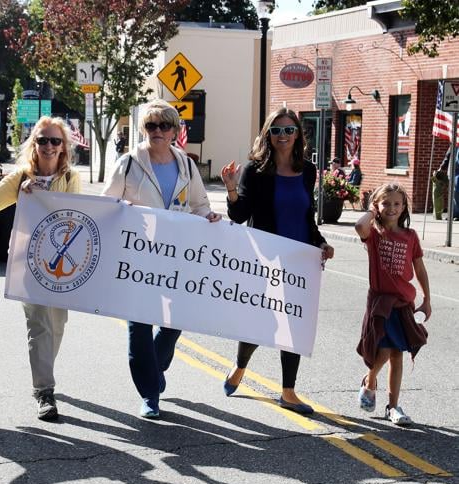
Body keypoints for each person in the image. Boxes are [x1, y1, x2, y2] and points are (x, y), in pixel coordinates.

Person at [102, 99, 221, 419]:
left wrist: (209, 217)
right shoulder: (129, 163)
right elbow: (106, 205)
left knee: (176, 320)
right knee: (138, 328)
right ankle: (149, 394)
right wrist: (122, 212)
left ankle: (155, 366)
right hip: (137, 259)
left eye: (164, 125)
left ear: (174, 131)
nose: (157, 131)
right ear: (144, 130)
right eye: (151, 125)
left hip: (177, 258)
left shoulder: (186, 166)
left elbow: (199, 205)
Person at [220, 107, 335, 415]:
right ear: (267, 135)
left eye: (288, 130)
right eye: (276, 130)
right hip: (264, 258)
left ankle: (288, 391)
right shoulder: (255, 171)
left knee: (293, 323)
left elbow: (306, 216)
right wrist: (231, 188)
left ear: (298, 134)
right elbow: (240, 215)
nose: (283, 136)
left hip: (299, 260)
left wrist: (320, 242)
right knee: (261, 320)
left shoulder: (307, 171)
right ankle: (241, 365)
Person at [0, 116, 80, 421]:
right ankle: (45, 391)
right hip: (31, 263)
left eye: (55, 141)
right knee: (40, 324)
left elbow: (81, 217)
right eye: (42, 140)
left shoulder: (70, 179)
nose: (49, 146)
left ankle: (45, 370)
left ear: (63, 147)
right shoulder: (20, 177)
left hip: (63, 267)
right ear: (34, 144)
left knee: (57, 325)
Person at [354, 183, 430, 426]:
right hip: (380, 302)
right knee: (384, 350)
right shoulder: (374, 235)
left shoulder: (410, 236)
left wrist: (427, 299)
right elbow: (359, 226)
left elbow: (419, 268)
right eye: (386, 203)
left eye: (397, 203)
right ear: (377, 206)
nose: (392, 208)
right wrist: (372, 211)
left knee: (398, 354)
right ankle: (370, 379)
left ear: (404, 207)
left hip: (403, 303)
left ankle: (393, 406)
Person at [437, 146, 459, 221]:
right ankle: (453, 214)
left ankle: (455, 214)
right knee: (453, 193)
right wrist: (441, 168)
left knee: (455, 192)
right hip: (453, 172)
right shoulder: (454, 143)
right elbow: (447, 156)